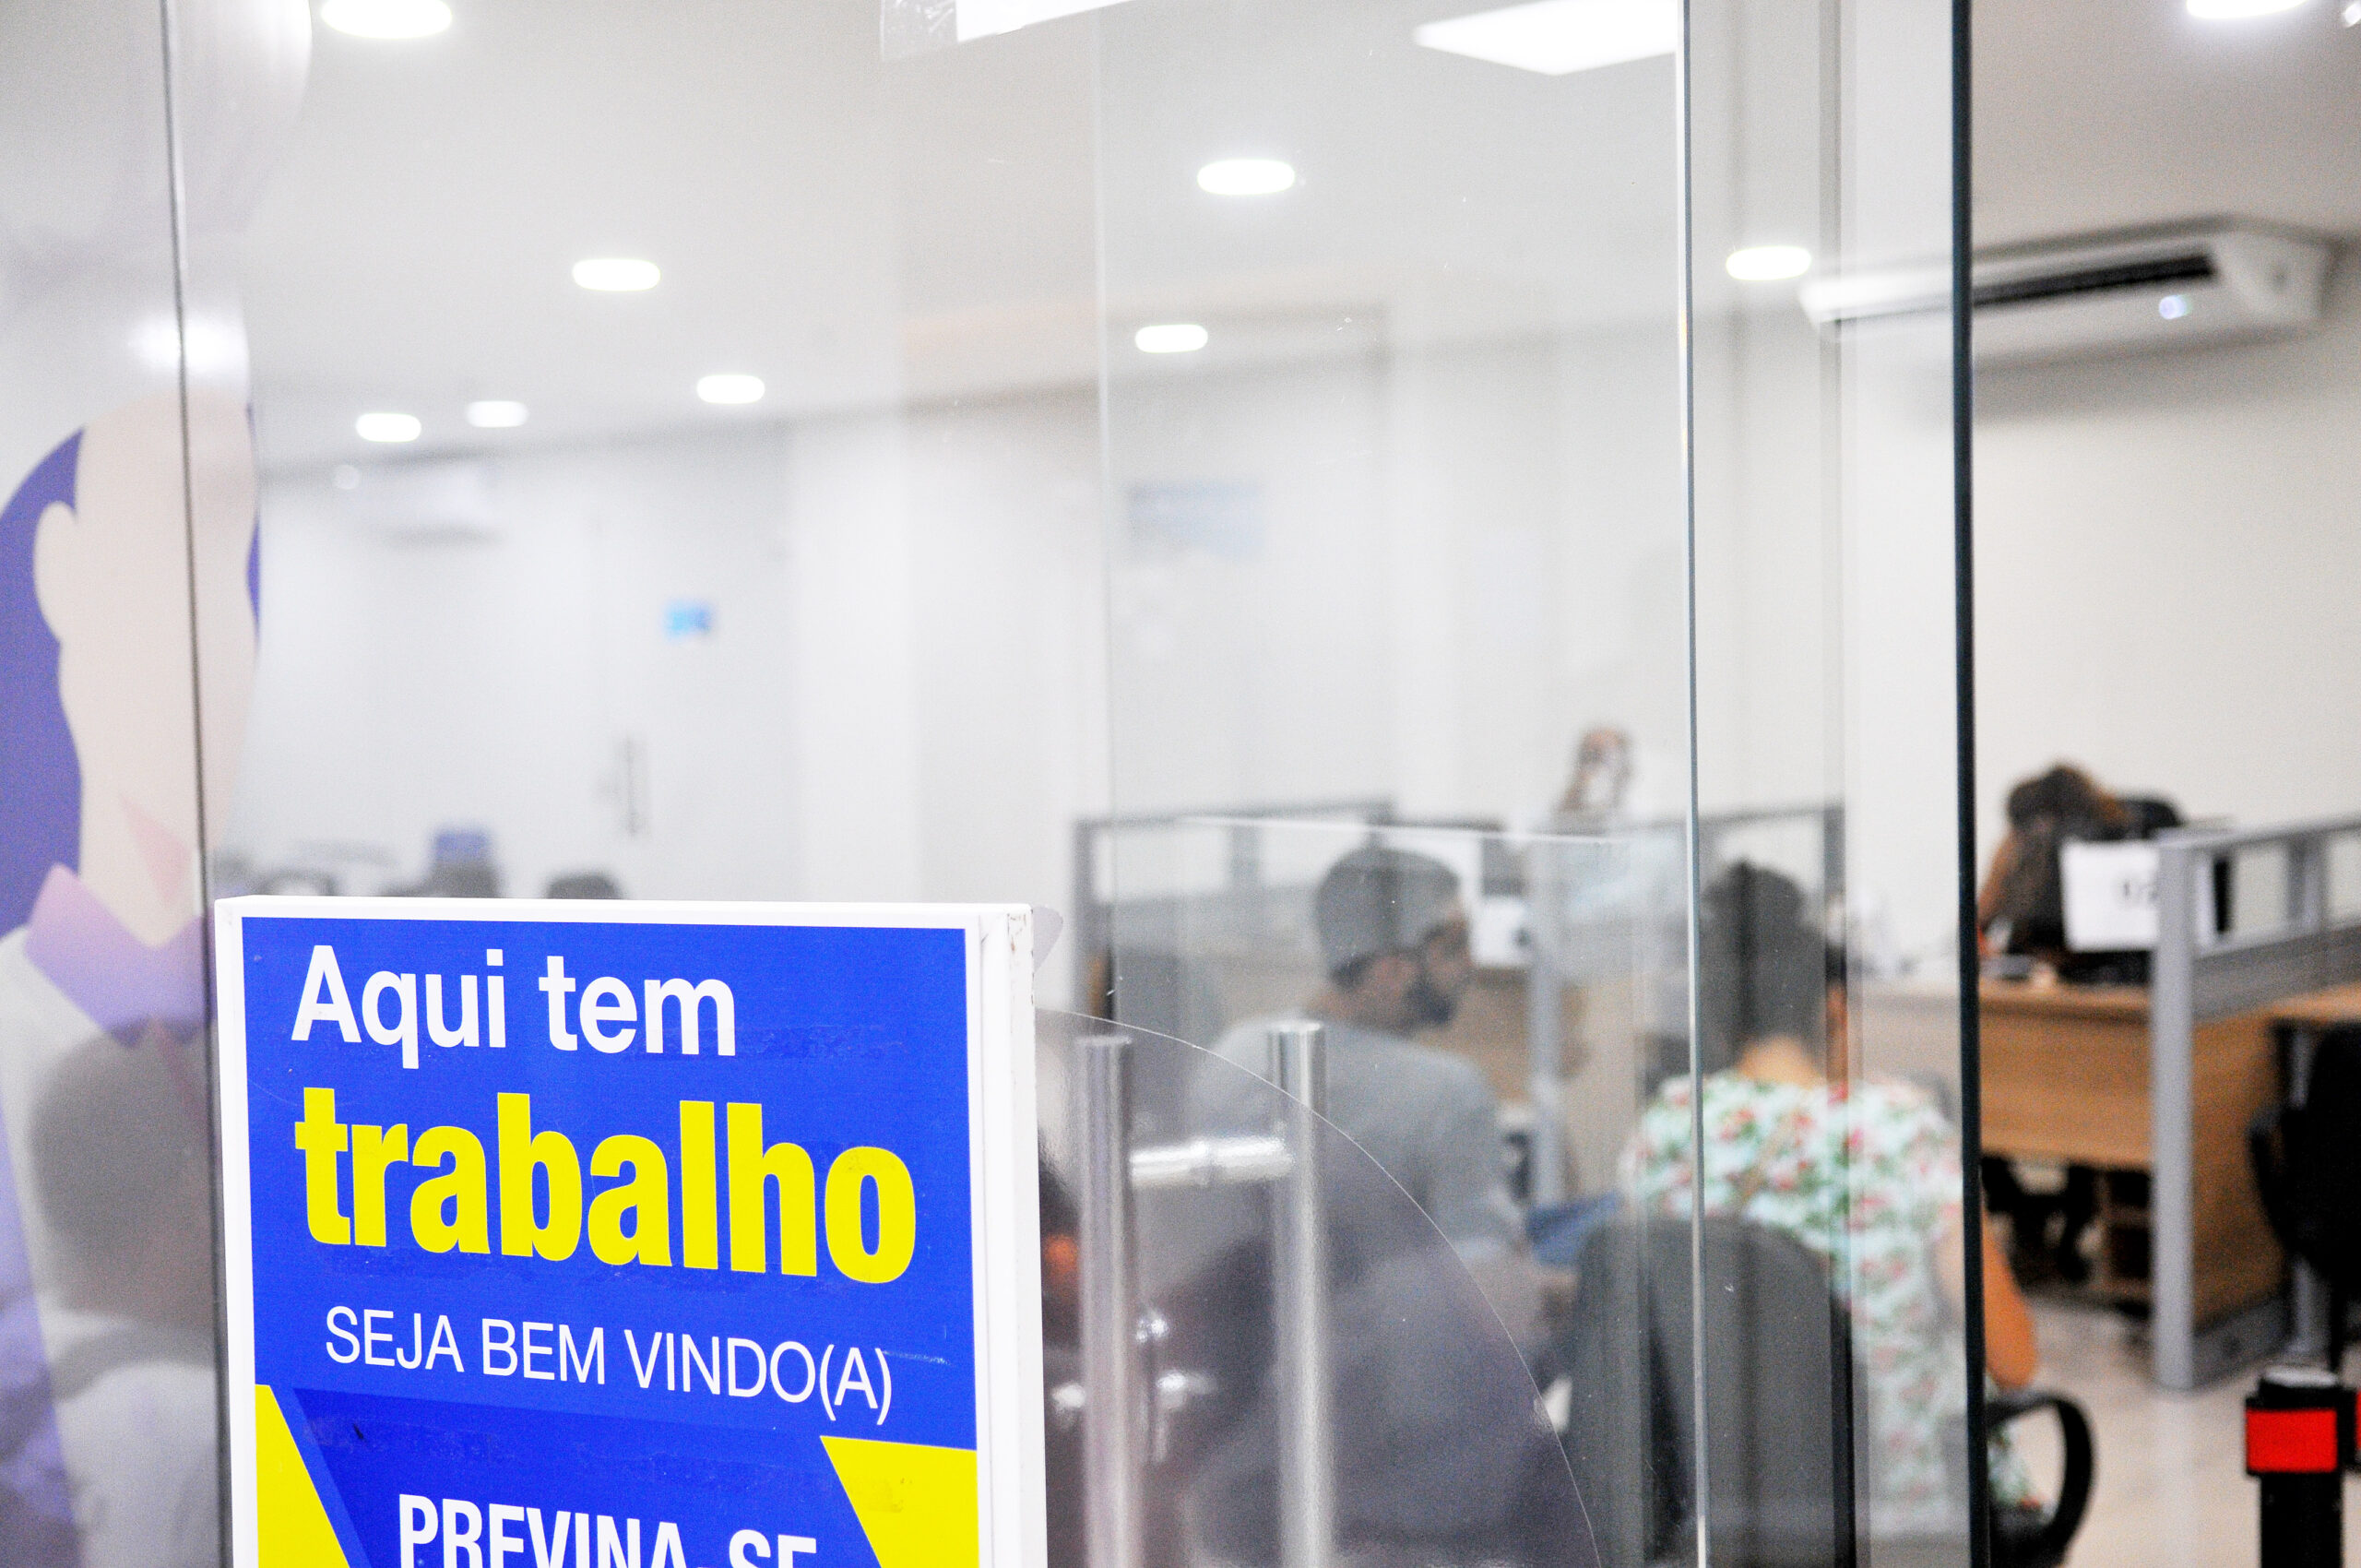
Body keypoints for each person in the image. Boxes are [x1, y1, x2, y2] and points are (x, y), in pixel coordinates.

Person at [1621, 862, 2040, 1538]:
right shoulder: (1900, 1129)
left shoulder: (1665, 1128)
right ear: (1836, 1007)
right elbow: (2014, 1360)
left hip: (1724, 1497)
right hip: (1895, 1506)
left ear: (1719, 1015)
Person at [1201, 844, 1521, 1259]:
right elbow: (1485, 1266)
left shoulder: (1234, 1051)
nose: (1470, 965)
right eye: (1453, 948)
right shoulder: (1450, 1092)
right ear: (1392, 971)